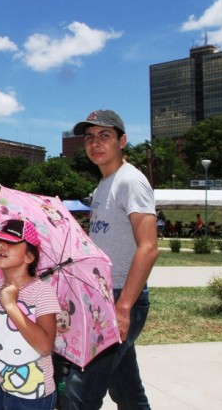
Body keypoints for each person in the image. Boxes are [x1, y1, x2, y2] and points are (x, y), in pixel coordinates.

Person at [63, 109, 159, 409]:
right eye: (89, 138)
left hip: (120, 298)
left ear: (123, 140)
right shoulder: (104, 184)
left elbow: (149, 247)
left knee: (81, 393)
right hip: (103, 297)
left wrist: (124, 307)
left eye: (105, 136)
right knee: (127, 390)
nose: (95, 144)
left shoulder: (130, 181)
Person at [0, 219, 60, 410]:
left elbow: (45, 347)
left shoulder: (42, 292)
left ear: (29, 257)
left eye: (10, 242)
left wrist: (11, 305)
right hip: (3, 385)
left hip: (35, 394)